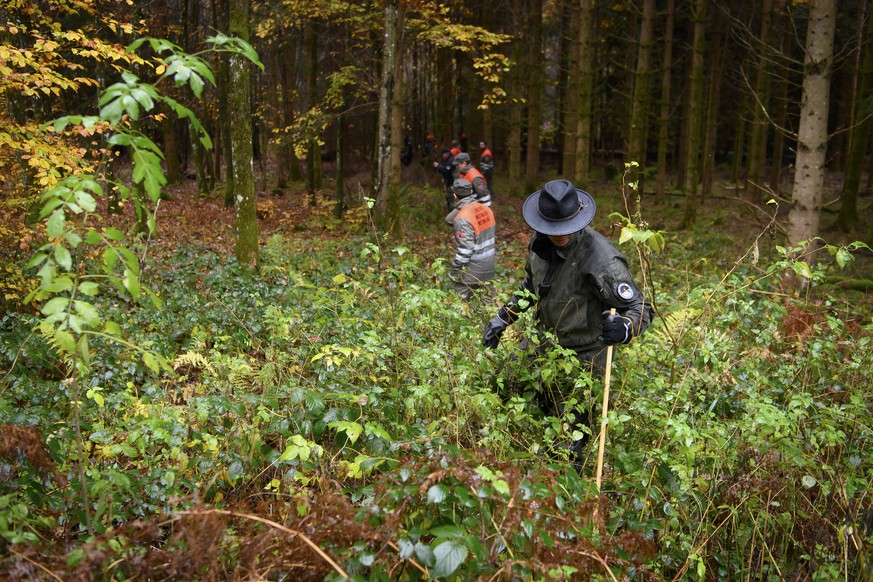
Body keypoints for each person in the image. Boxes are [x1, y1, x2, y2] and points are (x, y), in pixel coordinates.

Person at [481, 179, 652, 463]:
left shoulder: (600, 258)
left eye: (565, 230)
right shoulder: (539, 245)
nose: (559, 236)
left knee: (568, 437)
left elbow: (640, 306)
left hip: (584, 352)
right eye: (553, 230)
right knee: (502, 384)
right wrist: (504, 317)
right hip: (544, 340)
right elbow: (531, 286)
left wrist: (625, 328)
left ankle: (568, 487)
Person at [445, 178, 496, 299]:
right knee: (488, 305)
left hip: (471, 272)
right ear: (472, 190)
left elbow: (465, 251)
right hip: (490, 267)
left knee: (459, 303)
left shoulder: (462, 218)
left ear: (455, 196)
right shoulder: (486, 209)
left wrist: (454, 270)